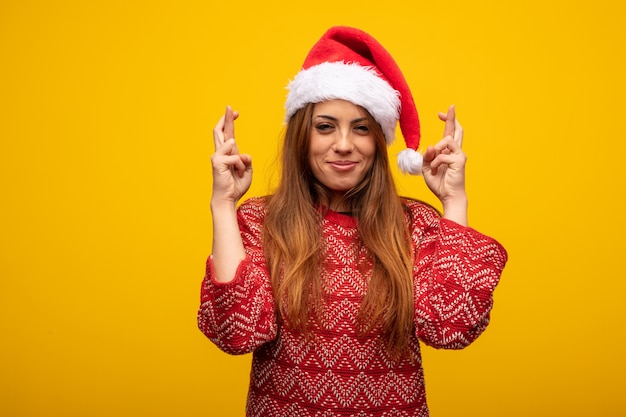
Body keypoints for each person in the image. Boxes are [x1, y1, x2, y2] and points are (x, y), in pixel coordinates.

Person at [198, 26, 508, 417]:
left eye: (361, 128)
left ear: (378, 141)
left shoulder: (413, 224)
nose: (344, 143)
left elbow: (452, 326)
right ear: (301, 137)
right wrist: (223, 204)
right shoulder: (261, 221)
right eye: (325, 126)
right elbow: (236, 334)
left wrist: (453, 200)